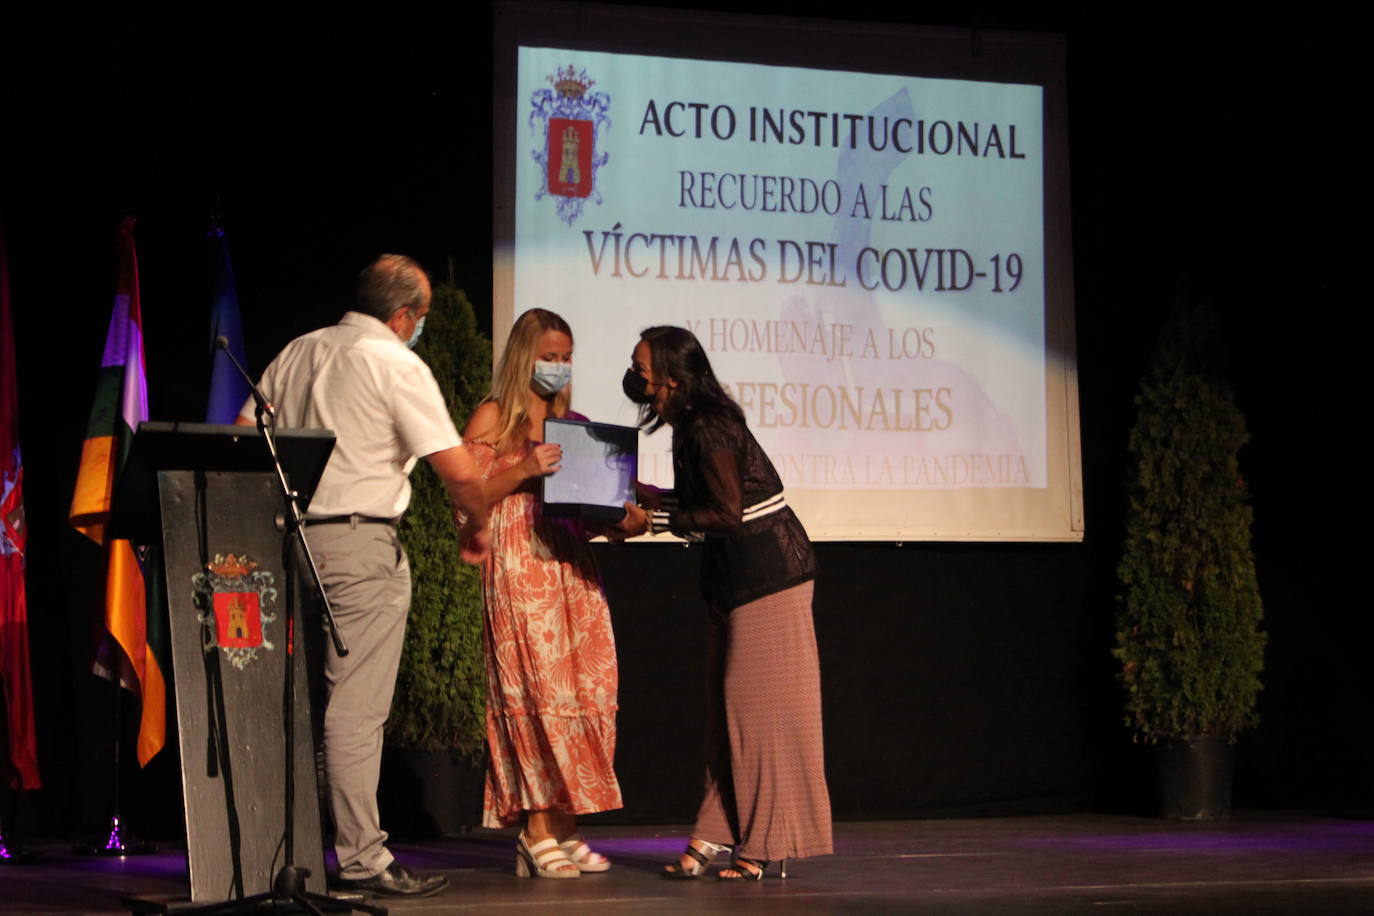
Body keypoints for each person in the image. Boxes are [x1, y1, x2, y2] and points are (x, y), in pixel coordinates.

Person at [236, 254, 488, 897]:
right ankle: (363, 859)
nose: (420, 329)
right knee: (353, 714)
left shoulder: (298, 351)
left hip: (284, 541)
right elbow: (458, 472)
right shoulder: (395, 363)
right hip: (358, 545)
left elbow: (240, 434)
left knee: (297, 706)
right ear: (402, 315)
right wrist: (478, 522)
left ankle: (278, 851)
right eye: (421, 319)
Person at [618, 325, 832, 880]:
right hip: (733, 580)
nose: (634, 376)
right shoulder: (690, 423)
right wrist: (648, 495)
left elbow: (727, 514)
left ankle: (763, 846)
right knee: (725, 713)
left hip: (769, 577)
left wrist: (655, 521)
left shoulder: (709, 424)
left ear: (671, 377)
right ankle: (713, 835)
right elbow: (707, 501)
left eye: (641, 368)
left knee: (756, 717)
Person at [462, 308, 629, 879]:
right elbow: (469, 496)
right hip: (520, 563)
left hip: (570, 563)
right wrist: (523, 469)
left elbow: (586, 504)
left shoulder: (573, 424)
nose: (559, 368)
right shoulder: (492, 417)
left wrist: (620, 519)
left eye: (566, 359)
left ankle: (564, 823)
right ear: (522, 358)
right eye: (549, 357)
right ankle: (535, 833)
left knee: (588, 683)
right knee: (538, 688)